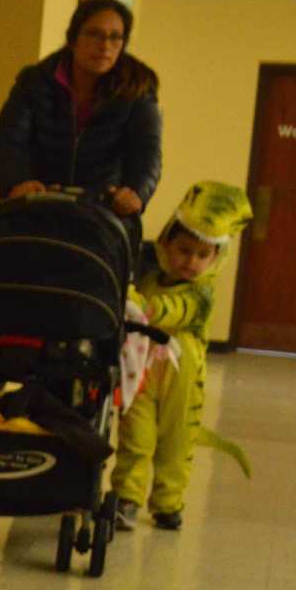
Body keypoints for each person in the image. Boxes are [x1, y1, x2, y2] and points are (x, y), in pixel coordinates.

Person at [112, 181, 252, 532]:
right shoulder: (148, 281)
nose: (191, 262)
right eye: (184, 251)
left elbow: (176, 309)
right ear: (165, 245)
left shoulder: (202, 294)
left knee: (175, 444)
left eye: (203, 255)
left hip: (183, 381)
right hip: (141, 373)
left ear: (215, 258)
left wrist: (148, 307)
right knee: (136, 437)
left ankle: (168, 503)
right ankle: (126, 499)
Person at [0, 0, 162, 223]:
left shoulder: (138, 90)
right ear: (73, 38)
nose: (105, 46)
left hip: (102, 215)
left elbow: (147, 153)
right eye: (94, 34)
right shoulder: (34, 82)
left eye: (115, 37)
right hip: (38, 207)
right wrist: (15, 183)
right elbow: (8, 143)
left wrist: (136, 193)